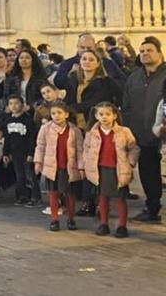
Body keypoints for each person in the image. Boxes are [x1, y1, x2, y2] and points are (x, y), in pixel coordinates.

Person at [82, 102, 139, 238]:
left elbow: (133, 148)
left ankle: (122, 226)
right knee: (102, 198)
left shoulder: (124, 131)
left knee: (120, 199)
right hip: (100, 169)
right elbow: (86, 149)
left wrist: (130, 163)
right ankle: (104, 224)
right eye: (101, 114)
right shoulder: (92, 133)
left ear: (114, 115)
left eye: (108, 114)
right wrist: (87, 164)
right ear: (96, 115)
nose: (104, 117)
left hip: (118, 170)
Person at [124, 36, 164, 223]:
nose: (145, 53)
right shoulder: (134, 77)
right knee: (148, 172)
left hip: (163, 134)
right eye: (142, 51)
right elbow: (127, 105)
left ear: (160, 54)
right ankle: (152, 207)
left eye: (149, 50)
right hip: (142, 134)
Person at [34, 101, 84, 232]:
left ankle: (71, 219)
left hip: (69, 167)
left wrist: (81, 167)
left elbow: (80, 149)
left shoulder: (74, 130)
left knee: (70, 194)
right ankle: (54, 219)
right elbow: (40, 147)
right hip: (52, 167)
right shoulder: (45, 129)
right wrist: (38, 162)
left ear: (66, 114)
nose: (56, 116)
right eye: (53, 113)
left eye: (59, 113)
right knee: (53, 194)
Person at [57, 49, 122, 129]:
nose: (87, 62)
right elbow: (68, 98)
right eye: (84, 59)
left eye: (91, 60)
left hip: (96, 124)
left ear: (98, 64)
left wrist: (69, 108)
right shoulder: (73, 79)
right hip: (74, 123)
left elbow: (94, 103)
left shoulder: (106, 82)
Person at [2, 95, 40, 207]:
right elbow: (7, 138)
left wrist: (31, 153)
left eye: (16, 103)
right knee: (19, 176)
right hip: (15, 153)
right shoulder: (8, 120)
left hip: (26, 152)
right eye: (11, 104)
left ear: (22, 105)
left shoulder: (28, 120)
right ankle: (23, 196)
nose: (14, 106)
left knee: (30, 176)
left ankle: (35, 197)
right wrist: (5, 153)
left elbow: (32, 138)